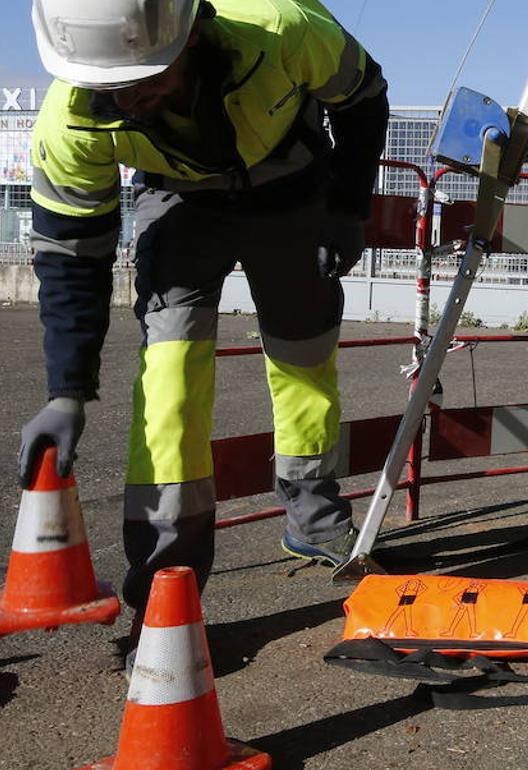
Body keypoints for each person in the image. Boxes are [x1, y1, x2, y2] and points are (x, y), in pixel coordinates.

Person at [17, 0, 389, 620]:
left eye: (145, 81)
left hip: (292, 185)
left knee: (304, 353)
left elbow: (363, 98)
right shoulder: (72, 116)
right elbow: (72, 257)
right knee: (170, 376)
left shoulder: (283, 28)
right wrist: (67, 391)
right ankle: (168, 583)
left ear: (189, 37)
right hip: (180, 199)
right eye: (112, 89)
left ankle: (314, 516)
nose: (129, 101)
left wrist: (346, 210)